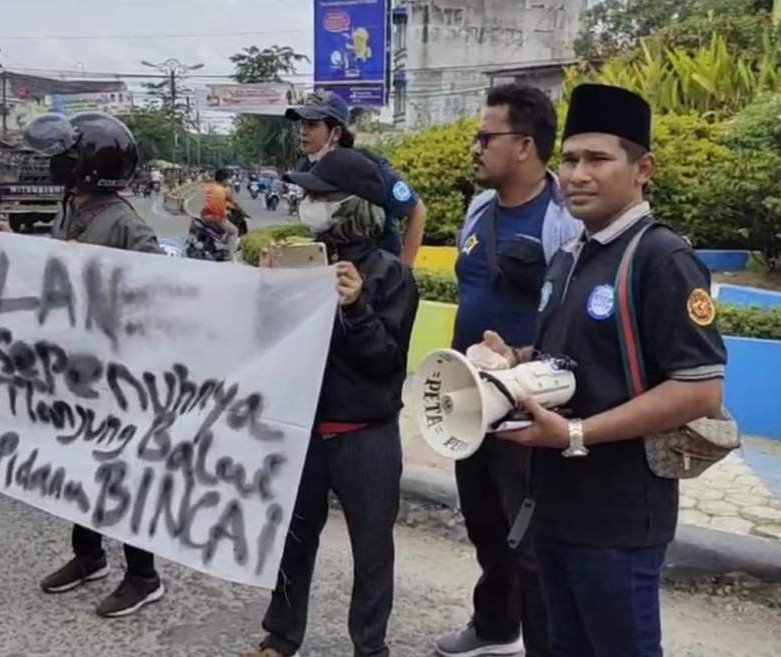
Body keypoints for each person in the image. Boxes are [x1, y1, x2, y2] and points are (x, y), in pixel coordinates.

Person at [471, 84, 727, 657]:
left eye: (597, 159)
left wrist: (578, 434)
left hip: (618, 515)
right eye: (569, 159)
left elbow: (700, 388)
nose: (577, 174)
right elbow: (577, 361)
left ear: (644, 169)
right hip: (558, 505)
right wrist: (515, 362)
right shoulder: (571, 256)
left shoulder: (662, 258)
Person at [250, 148, 419, 657]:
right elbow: (269, 341)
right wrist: (267, 293)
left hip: (365, 437)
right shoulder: (300, 261)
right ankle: (280, 637)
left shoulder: (391, 276)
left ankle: (370, 648)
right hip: (305, 432)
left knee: (372, 551)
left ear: (352, 206)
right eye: (308, 196)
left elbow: (386, 363)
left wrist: (358, 307)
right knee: (293, 542)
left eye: (321, 197)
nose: (310, 204)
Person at [435, 84, 580, 657]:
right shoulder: (479, 210)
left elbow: (571, 319)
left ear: (524, 146)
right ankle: (495, 626)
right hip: (468, 398)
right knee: (484, 523)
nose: (475, 147)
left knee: (530, 541)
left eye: (485, 137)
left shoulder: (561, 219)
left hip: (526, 405)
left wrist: (524, 366)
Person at [23, 111, 164, 617]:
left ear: (88, 166)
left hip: (119, 375)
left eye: (62, 158)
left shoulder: (125, 222)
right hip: (77, 371)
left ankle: (143, 575)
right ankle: (88, 555)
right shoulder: (71, 210)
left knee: (121, 473)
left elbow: (160, 291)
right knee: (79, 465)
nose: (53, 166)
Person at [285, 90, 427, 266]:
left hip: (375, 272)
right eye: (303, 124)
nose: (303, 132)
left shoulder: (367, 167)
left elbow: (417, 210)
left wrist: (403, 270)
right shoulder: (308, 168)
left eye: (312, 125)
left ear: (335, 133)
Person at [186, 168, 241, 260]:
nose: (229, 181)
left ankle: (222, 243)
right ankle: (230, 255)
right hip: (216, 217)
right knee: (234, 231)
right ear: (224, 180)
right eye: (228, 179)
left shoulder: (210, 187)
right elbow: (232, 202)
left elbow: (215, 201)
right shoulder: (225, 190)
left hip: (204, 215)